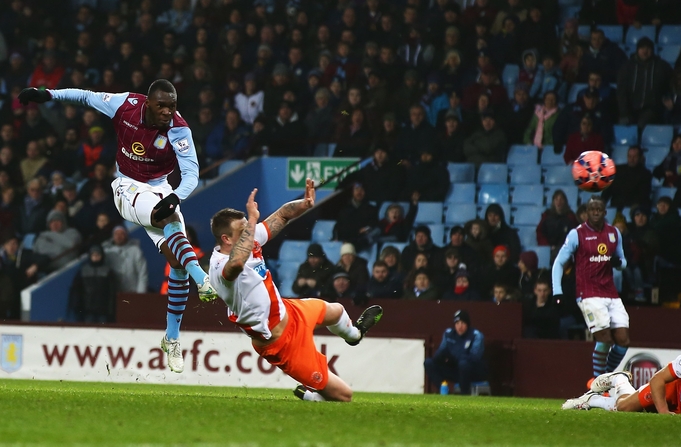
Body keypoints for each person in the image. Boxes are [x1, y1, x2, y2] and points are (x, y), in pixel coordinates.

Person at [18, 79, 217, 374]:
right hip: (126, 187)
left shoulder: (179, 129)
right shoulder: (124, 105)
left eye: (172, 106)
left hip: (161, 190)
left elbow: (191, 174)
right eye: (161, 106)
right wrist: (48, 94)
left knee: (176, 262)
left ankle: (171, 339)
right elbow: (85, 96)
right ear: (148, 102)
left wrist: (175, 196)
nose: (167, 112)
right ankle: (202, 278)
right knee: (171, 222)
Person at [209, 182, 383, 402]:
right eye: (244, 229)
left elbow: (281, 216)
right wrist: (252, 220)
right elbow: (235, 265)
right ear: (227, 239)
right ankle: (312, 396)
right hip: (281, 343)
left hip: (289, 311)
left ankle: (355, 335)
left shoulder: (248, 239)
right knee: (344, 396)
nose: (250, 231)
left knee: (337, 311)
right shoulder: (219, 266)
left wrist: (305, 204)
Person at [562, 328, 681, 417]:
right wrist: (664, 413)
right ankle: (605, 391)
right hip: (673, 390)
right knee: (623, 408)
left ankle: (615, 384)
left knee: (626, 408)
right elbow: (658, 379)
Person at [552, 196, 629, 378]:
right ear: (586, 212)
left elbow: (623, 261)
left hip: (610, 292)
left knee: (623, 341)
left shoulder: (614, 233)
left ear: (604, 212)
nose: (595, 212)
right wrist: (557, 290)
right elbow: (558, 263)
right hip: (588, 293)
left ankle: (604, 378)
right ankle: (597, 381)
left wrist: (619, 263)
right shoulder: (576, 234)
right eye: (592, 209)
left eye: (599, 209)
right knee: (605, 339)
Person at [423, 310, 487, 395]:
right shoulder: (449, 334)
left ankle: (464, 394)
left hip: (471, 371)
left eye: (462, 323)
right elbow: (440, 352)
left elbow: (475, 357)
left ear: (467, 324)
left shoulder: (476, 335)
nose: (460, 326)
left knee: (463, 364)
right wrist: (443, 358)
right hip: (454, 368)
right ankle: (444, 390)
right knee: (428, 363)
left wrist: (454, 358)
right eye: (457, 323)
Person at [68, 244, 117, 323]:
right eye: (93, 255)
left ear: (102, 256)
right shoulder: (83, 271)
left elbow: (111, 292)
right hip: (87, 309)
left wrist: (110, 310)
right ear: (90, 256)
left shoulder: (107, 271)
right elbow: (77, 290)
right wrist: (77, 306)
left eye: (98, 255)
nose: (95, 257)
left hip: (103, 309)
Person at [102, 225, 148, 293]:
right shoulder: (108, 252)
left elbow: (142, 273)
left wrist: (140, 293)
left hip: (133, 292)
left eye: (122, 234)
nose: (119, 236)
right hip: (115, 293)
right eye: (116, 234)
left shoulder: (135, 251)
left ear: (126, 235)